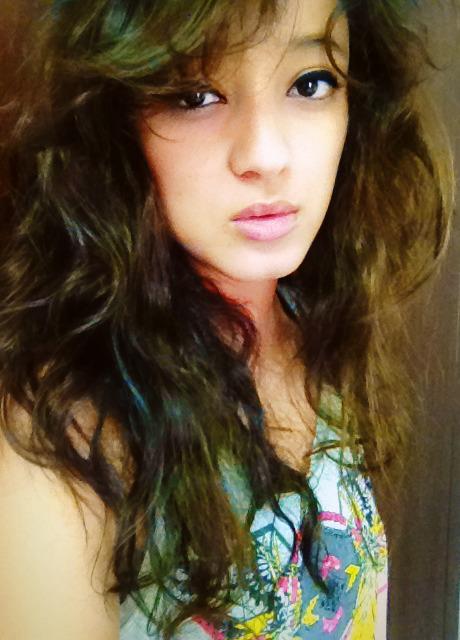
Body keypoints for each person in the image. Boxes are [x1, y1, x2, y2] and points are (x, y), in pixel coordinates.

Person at [0, 0, 453, 638]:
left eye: (310, 83)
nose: (265, 155)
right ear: (115, 121)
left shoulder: (314, 325)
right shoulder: (64, 436)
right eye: (194, 96)